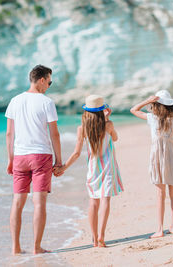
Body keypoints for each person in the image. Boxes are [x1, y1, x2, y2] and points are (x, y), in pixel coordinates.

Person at [5, 65, 62, 255]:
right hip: (41, 157)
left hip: (20, 157)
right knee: (39, 203)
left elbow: (9, 134)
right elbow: (54, 134)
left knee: (17, 202)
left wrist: (10, 159)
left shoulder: (14, 101)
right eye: (49, 82)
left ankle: (15, 247)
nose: (49, 86)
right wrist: (59, 160)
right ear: (41, 80)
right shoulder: (47, 102)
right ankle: (37, 247)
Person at [54, 95, 124, 248]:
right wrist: (107, 119)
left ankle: (93, 238)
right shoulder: (108, 125)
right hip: (108, 167)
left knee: (93, 203)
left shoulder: (82, 129)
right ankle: (101, 236)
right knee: (106, 200)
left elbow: (77, 153)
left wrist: (63, 167)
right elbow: (116, 138)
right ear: (101, 110)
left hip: (93, 169)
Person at [130, 90, 173, 238]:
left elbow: (133, 110)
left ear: (156, 105)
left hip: (159, 154)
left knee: (160, 194)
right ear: (170, 106)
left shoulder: (152, 118)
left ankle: (159, 229)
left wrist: (147, 100)